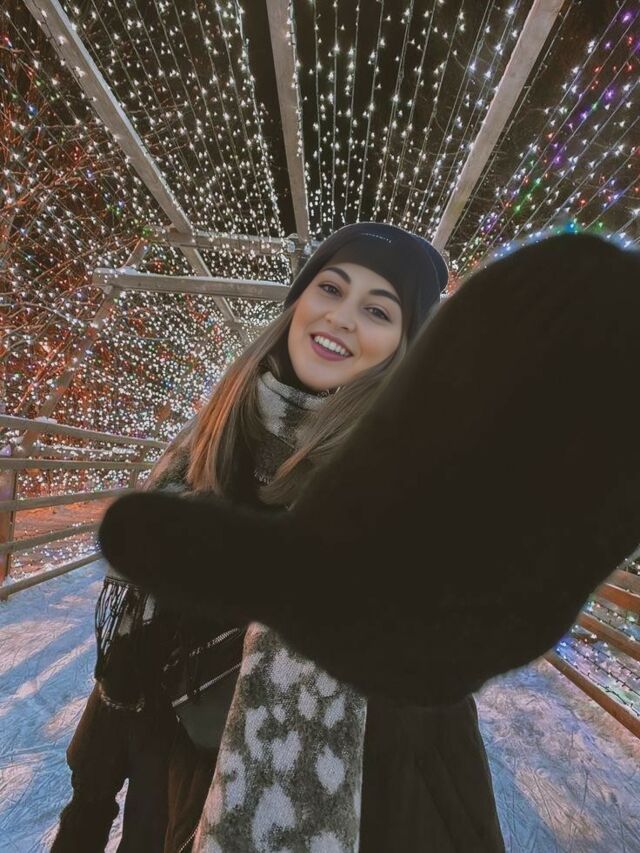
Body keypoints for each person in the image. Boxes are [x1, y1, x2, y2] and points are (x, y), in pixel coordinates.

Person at [53, 221, 505, 852]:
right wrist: (88, 807)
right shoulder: (203, 455)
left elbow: (436, 736)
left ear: (404, 348)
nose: (341, 317)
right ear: (299, 302)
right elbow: (133, 660)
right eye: (331, 288)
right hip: (168, 800)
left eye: (378, 310)